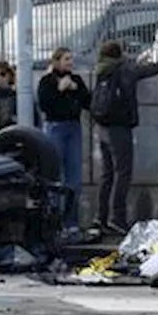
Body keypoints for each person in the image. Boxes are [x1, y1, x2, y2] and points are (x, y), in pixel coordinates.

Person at [90, 36, 158, 234]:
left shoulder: (101, 70)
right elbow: (150, 70)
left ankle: (100, 218)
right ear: (119, 54)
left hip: (102, 127)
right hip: (119, 128)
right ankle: (118, 218)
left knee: (106, 175)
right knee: (123, 173)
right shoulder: (124, 70)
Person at [39, 47, 91, 236]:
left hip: (73, 127)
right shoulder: (47, 81)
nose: (70, 62)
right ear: (57, 61)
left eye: (71, 58)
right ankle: (54, 222)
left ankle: (71, 221)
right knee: (54, 177)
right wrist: (59, 90)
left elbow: (89, 102)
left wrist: (75, 90)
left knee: (74, 178)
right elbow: (44, 104)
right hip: (55, 127)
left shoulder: (76, 80)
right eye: (66, 59)